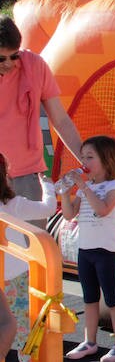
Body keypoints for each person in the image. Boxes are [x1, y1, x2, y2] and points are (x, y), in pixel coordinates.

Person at [0, 14, 82, 226]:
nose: (9, 63)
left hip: (28, 176)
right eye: (1, 59)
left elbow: (61, 120)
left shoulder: (35, 65)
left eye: (14, 56)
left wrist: (88, 162)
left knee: (33, 250)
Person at [59, 135, 115, 362]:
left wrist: (82, 186)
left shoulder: (114, 187)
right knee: (89, 297)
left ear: (106, 159)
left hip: (106, 252)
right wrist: (64, 191)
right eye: (83, 157)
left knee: (112, 298)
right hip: (86, 250)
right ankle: (90, 341)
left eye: (90, 157)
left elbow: (102, 210)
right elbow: (69, 215)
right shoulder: (85, 188)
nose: (85, 162)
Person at [0, 152, 56, 362]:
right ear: (5, 176)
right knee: (28, 330)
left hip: (9, 279)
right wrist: (47, 185)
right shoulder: (14, 204)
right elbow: (48, 208)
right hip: (18, 278)